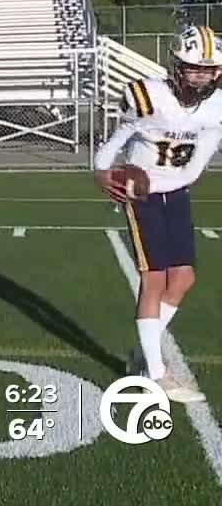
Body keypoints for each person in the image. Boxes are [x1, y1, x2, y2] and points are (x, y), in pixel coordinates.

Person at [92, 26, 221, 404]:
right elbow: (114, 142)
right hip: (143, 195)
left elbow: (197, 163)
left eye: (209, 70)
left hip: (177, 193)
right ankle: (156, 372)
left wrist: (181, 180)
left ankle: (143, 356)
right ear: (177, 66)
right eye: (194, 68)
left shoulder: (214, 107)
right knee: (154, 280)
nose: (201, 77)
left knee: (183, 279)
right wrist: (102, 171)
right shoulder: (150, 97)